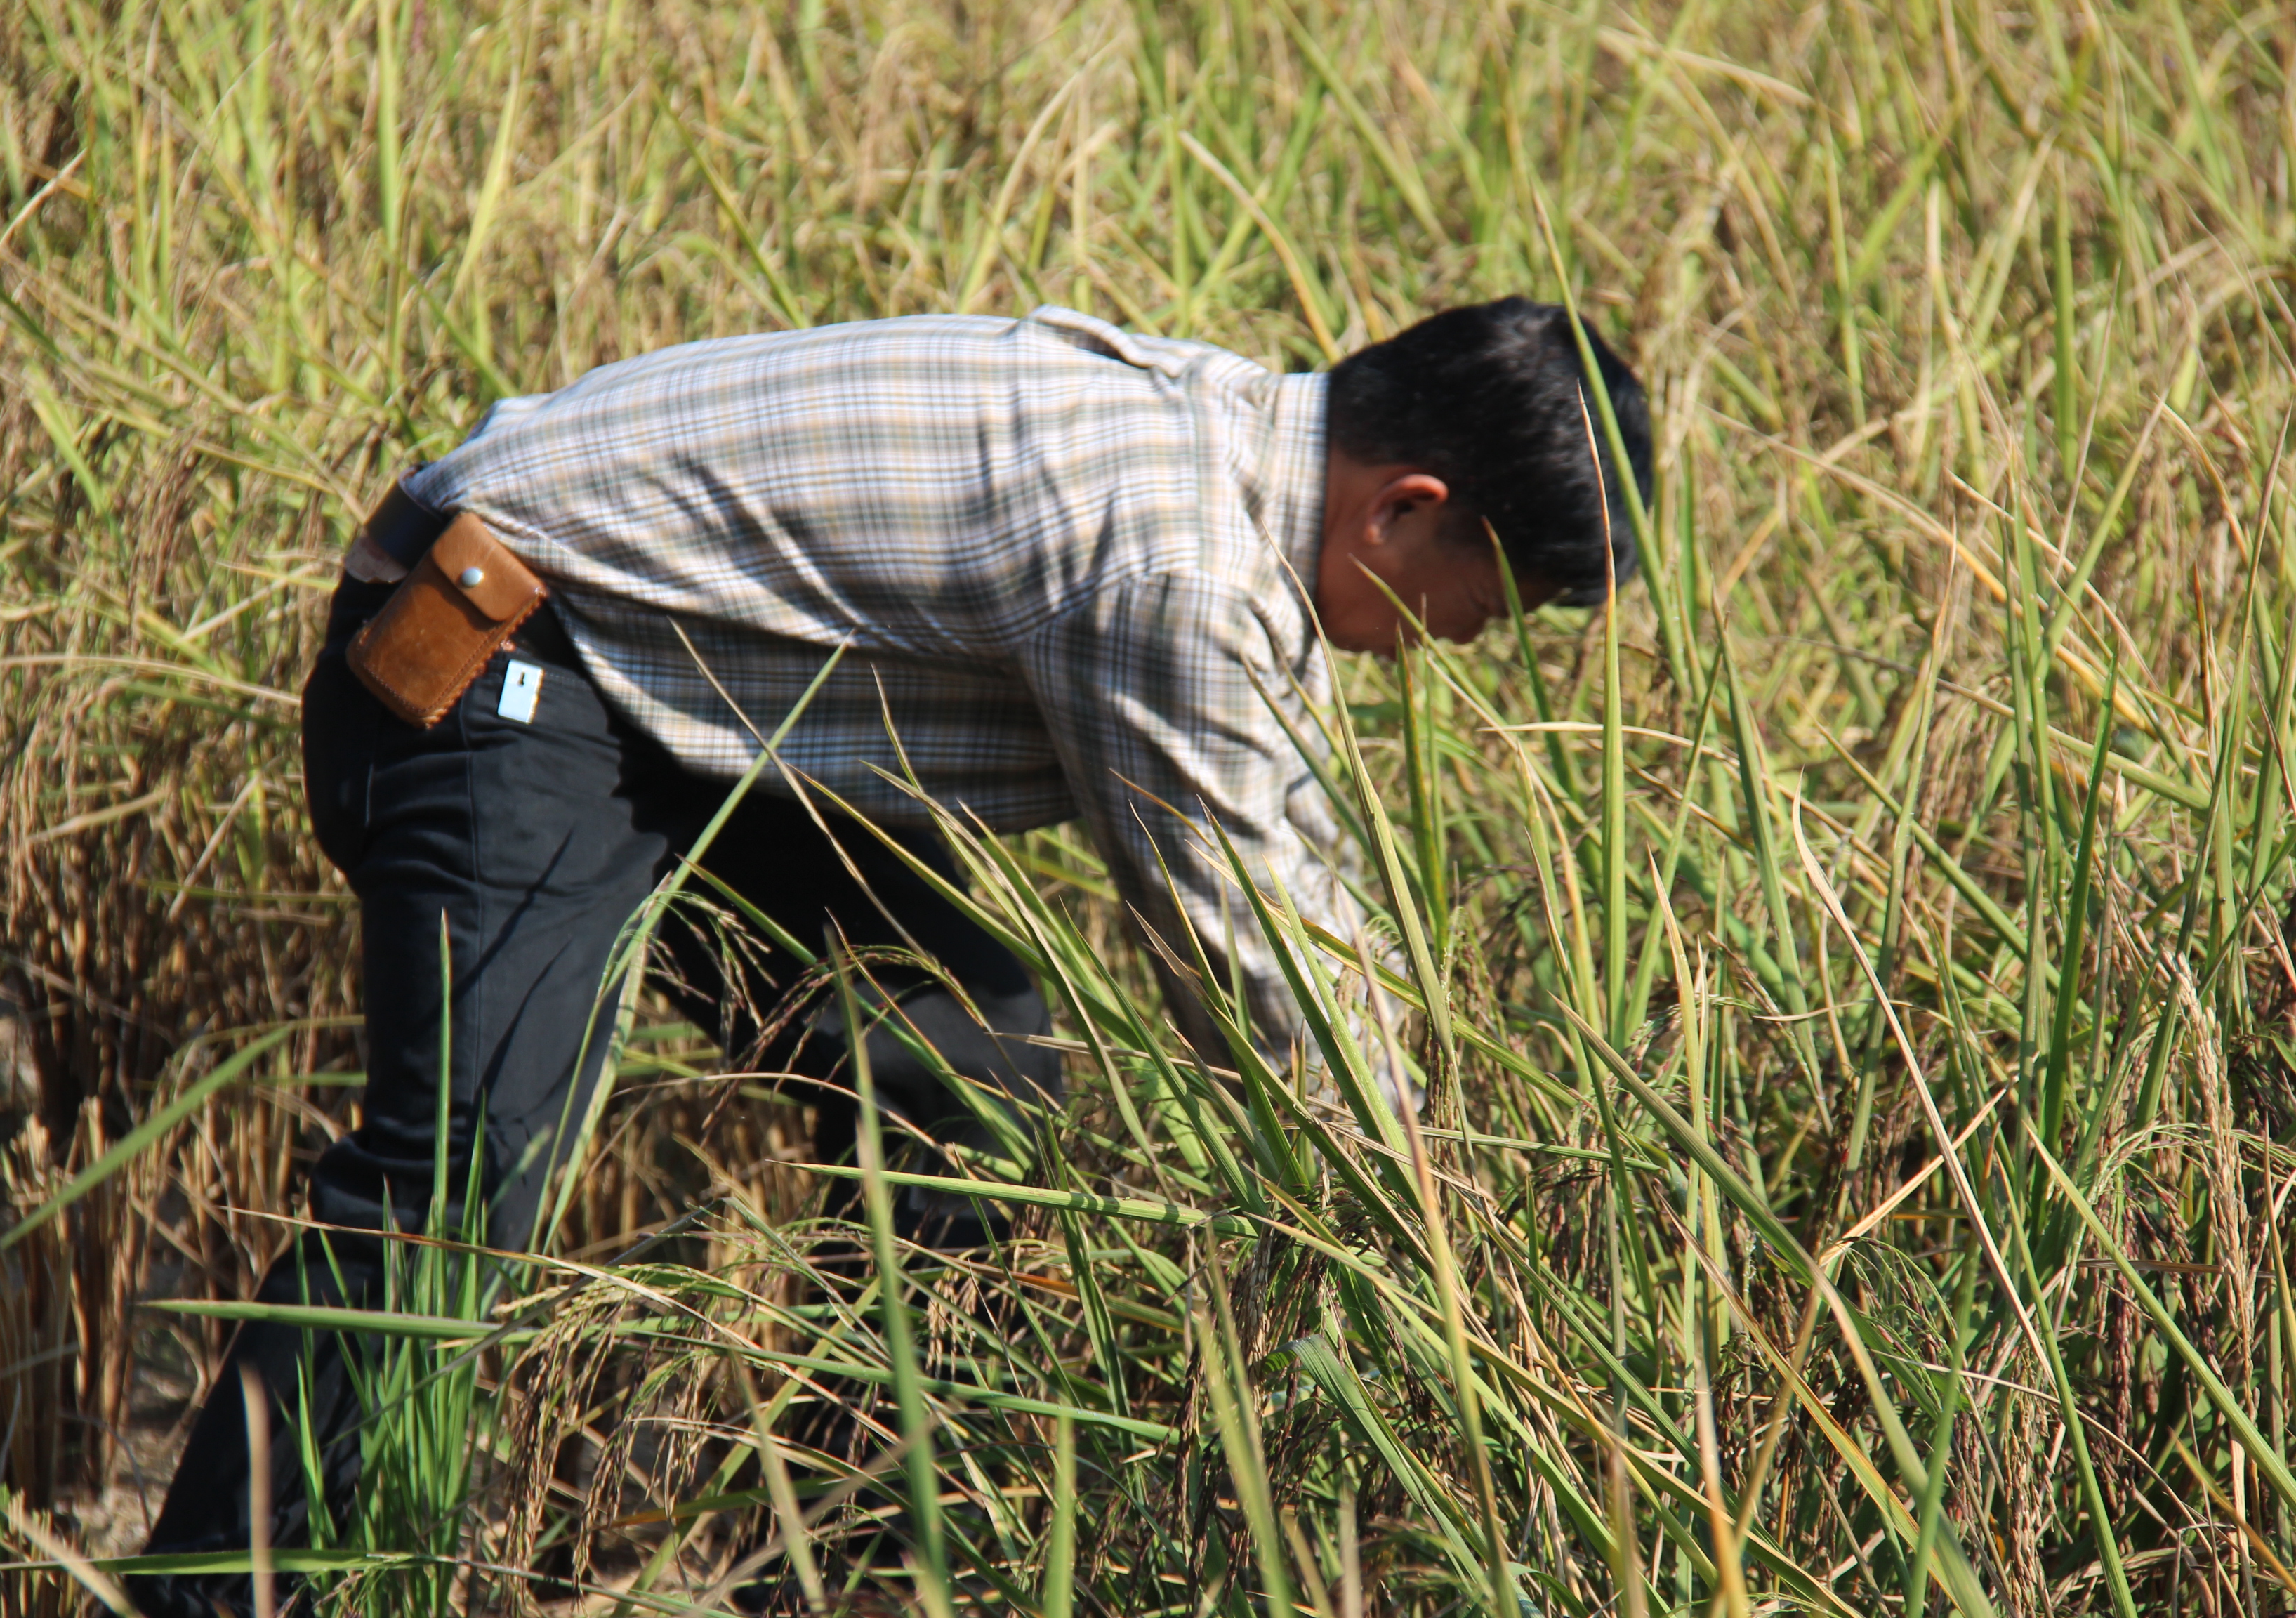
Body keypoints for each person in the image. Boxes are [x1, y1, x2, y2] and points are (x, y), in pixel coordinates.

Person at [128, 296, 1651, 1616]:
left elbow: (1305, 871)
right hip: (504, 652)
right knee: (464, 1172)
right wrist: (1434, 1245)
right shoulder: (1173, 558)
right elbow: (1255, 955)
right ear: (1403, 508)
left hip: (684, 699)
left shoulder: (1234, 459)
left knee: (966, 1074)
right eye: (1483, 609)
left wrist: (1442, 1144)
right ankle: (220, 1596)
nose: (1460, 646)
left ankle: (843, 1573)